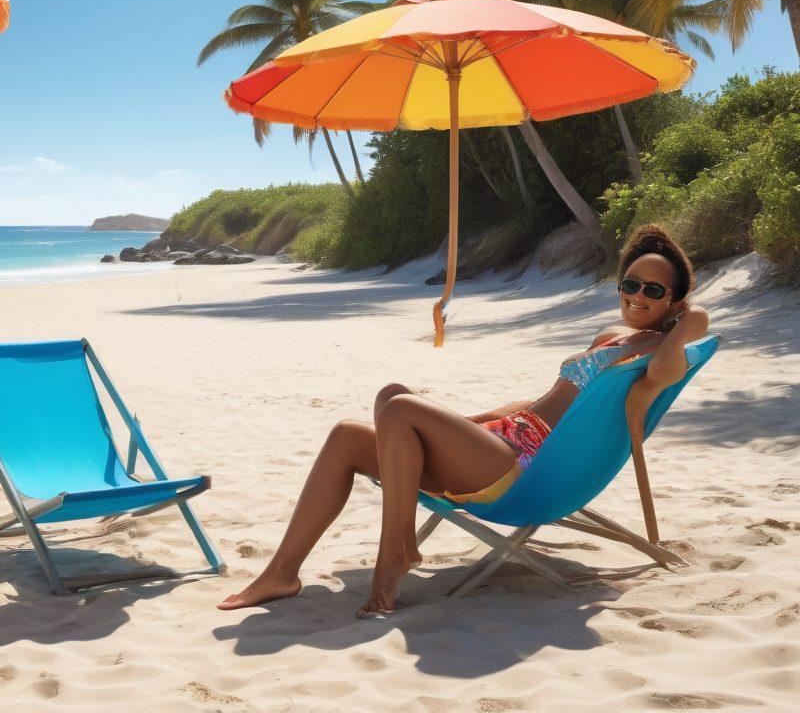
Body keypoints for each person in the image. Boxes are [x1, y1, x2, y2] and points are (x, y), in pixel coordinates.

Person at [218, 225, 710, 617]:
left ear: (675, 299)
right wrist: (478, 421)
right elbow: (546, 399)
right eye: (629, 284)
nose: (637, 296)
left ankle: (394, 556)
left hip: (526, 470)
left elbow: (669, 369)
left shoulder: (657, 357)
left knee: (401, 408)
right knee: (368, 416)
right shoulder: (611, 336)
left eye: (653, 289)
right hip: (500, 443)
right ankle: (282, 572)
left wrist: (692, 319)